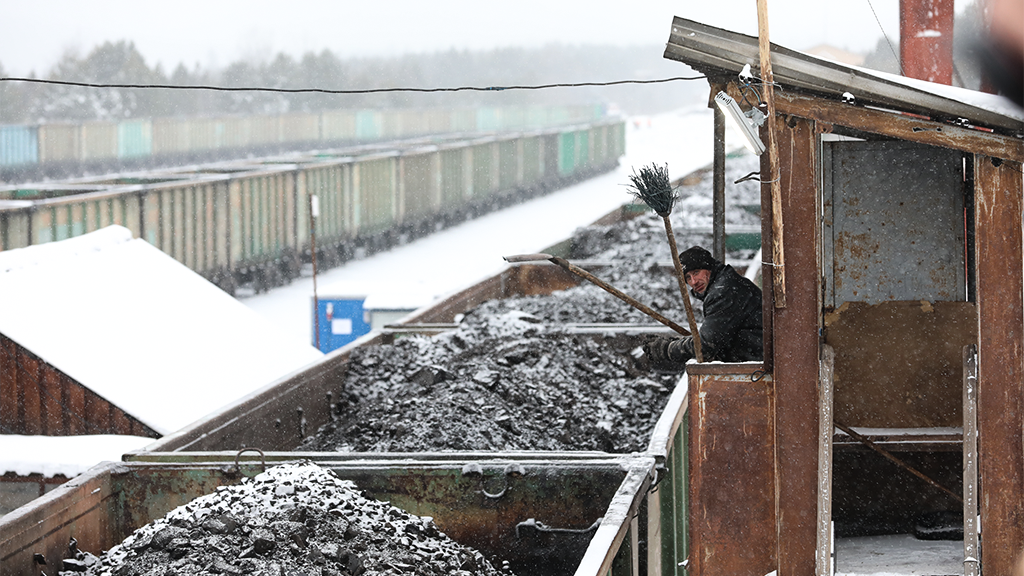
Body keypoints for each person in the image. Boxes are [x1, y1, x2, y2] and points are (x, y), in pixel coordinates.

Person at [643, 246, 763, 368]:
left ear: (709, 268)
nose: (694, 282)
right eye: (688, 277)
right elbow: (714, 336)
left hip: (759, 361)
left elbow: (706, 346)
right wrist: (677, 343)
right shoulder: (727, 282)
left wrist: (666, 350)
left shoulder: (722, 292)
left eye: (696, 272)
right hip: (759, 355)